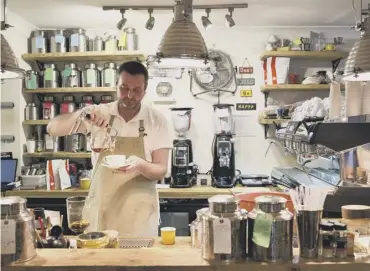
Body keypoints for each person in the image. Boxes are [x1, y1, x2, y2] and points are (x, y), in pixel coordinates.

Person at [47, 61, 172, 236]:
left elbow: (161, 170)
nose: (129, 95)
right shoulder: (99, 113)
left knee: (139, 262)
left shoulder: (156, 120)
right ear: (116, 86)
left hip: (139, 215)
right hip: (102, 209)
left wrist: (140, 165)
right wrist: (81, 114)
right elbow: (52, 128)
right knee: (99, 261)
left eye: (136, 90)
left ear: (145, 90)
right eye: (124, 88)